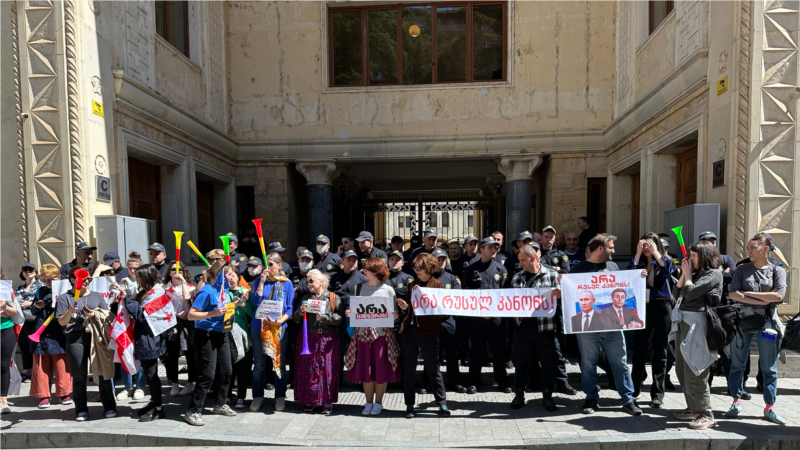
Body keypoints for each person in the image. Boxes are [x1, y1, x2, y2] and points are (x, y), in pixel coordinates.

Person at [569, 234, 642, 416]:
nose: (614, 251)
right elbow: (570, 297)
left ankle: (628, 398)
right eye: (610, 247)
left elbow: (622, 289)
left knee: (620, 363)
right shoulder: (578, 270)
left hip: (613, 326)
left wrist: (637, 278)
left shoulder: (613, 266)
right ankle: (591, 397)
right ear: (600, 249)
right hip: (587, 328)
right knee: (588, 364)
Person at [725, 234, 787, 425]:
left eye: (753, 247)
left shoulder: (777, 270)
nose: (748, 251)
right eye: (748, 247)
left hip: (768, 322)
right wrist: (762, 298)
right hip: (744, 320)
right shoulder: (742, 269)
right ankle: (735, 401)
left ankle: (769, 407)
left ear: (765, 249)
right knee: (737, 364)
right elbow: (734, 294)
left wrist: (749, 293)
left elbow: (778, 296)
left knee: (769, 367)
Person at [670, 240, 722, 430]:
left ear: (704, 256)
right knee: (682, 370)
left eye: (693, 256)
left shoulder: (714, 274)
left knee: (696, 369)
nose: (688, 259)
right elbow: (677, 293)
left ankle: (706, 413)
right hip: (683, 322)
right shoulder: (695, 274)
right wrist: (685, 274)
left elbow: (691, 294)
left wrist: (688, 275)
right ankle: (693, 407)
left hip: (697, 324)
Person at [56, 266, 116, 421]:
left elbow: (107, 316)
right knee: (79, 376)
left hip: (95, 337)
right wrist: (69, 312)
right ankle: (81, 410)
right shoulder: (64, 298)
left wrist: (95, 314)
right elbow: (62, 323)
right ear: (72, 279)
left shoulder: (96, 296)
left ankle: (109, 407)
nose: (86, 281)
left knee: (103, 373)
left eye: (88, 278)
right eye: (82, 278)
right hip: (75, 338)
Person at [344, 258, 401, 416]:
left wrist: (394, 316)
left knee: (380, 371)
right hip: (362, 335)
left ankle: (378, 403)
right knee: (366, 371)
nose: (364, 272)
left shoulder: (388, 290)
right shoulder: (358, 288)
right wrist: (350, 313)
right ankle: (368, 402)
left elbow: (393, 315)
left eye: (367, 269)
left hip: (382, 336)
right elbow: (354, 310)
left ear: (376, 271)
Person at [396, 253, 451, 418]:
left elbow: (440, 310)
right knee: (409, 369)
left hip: (428, 331)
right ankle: (409, 405)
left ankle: (442, 404)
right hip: (410, 331)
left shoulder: (438, 285)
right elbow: (410, 310)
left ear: (428, 268)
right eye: (415, 268)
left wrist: (423, 294)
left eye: (419, 268)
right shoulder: (411, 285)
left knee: (433, 369)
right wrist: (405, 307)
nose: (416, 271)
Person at [509, 244, 562, 411]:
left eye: (523, 260)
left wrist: (561, 294)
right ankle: (519, 393)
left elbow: (565, 301)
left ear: (532, 259)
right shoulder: (517, 277)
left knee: (548, 363)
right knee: (521, 363)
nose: (520, 263)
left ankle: (547, 395)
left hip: (545, 328)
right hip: (523, 327)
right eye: (519, 260)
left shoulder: (552, 275)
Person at [185, 261, 237, 426]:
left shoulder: (224, 290)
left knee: (227, 370)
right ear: (218, 276)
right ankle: (193, 411)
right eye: (228, 274)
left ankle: (220, 404)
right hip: (205, 335)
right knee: (207, 374)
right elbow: (191, 315)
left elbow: (224, 309)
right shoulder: (206, 291)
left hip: (222, 334)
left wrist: (237, 303)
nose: (232, 277)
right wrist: (213, 313)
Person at [627, 233, 673, 407]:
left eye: (649, 245)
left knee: (660, 350)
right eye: (643, 245)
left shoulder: (665, 260)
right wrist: (638, 254)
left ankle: (657, 394)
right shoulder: (637, 261)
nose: (647, 248)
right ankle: (635, 388)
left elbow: (669, 270)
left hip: (662, 307)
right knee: (639, 349)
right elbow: (629, 277)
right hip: (642, 307)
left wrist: (656, 253)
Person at [247, 253, 294, 412]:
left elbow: (290, 308)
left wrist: (282, 320)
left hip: (279, 327)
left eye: (272, 264)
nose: (269, 268)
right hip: (259, 327)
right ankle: (257, 396)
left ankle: (280, 396)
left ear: (280, 265)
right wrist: (260, 282)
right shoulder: (258, 281)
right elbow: (255, 302)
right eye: (266, 265)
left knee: (278, 364)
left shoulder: (286, 284)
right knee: (259, 364)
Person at [464, 237, 511, 394]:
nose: (494, 250)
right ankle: (473, 382)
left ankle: (502, 381)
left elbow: (506, 295)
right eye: (490, 247)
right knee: (476, 350)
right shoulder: (471, 269)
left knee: (499, 350)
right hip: (478, 319)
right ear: (482, 250)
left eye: (496, 247)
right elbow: (466, 295)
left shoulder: (501, 269)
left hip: (497, 318)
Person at [293, 269, 344, 414]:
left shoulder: (333, 297)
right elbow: (295, 319)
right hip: (308, 338)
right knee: (309, 371)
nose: (308, 284)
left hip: (327, 338)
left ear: (321, 281)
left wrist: (324, 318)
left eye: (311, 281)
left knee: (326, 371)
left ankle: (326, 402)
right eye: (307, 281)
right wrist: (300, 311)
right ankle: (310, 400)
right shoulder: (305, 298)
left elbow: (340, 318)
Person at [124, 265, 168, 422]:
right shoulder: (148, 292)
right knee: (150, 374)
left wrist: (127, 297)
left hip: (150, 338)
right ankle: (154, 402)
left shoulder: (157, 293)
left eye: (139, 277)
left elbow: (140, 315)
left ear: (147, 277)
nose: (137, 280)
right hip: (145, 337)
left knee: (151, 374)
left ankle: (159, 408)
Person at [29, 264, 72, 408]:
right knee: (41, 365)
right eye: (45, 280)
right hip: (41, 332)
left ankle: (64, 393)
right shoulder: (40, 291)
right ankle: (43, 396)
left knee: (61, 364)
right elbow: (32, 311)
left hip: (57, 331)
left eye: (51, 280)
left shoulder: (65, 290)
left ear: (58, 277)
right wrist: (36, 306)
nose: (47, 283)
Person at [162, 261, 196, 397]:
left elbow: (188, 299)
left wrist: (183, 283)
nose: (176, 272)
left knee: (190, 353)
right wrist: (175, 314)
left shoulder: (191, 287)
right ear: (169, 272)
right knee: (171, 354)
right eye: (173, 270)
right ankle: (174, 383)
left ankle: (191, 382)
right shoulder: (163, 288)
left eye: (180, 270)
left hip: (187, 323)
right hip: (170, 323)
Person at [223, 265, 251, 409]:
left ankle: (241, 397)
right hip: (226, 332)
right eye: (228, 275)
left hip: (242, 334)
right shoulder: (222, 292)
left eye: (233, 275)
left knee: (242, 367)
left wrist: (244, 304)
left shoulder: (245, 292)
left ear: (239, 278)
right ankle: (227, 396)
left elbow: (253, 312)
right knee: (228, 367)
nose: (231, 278)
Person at [16, 262, 42, 383]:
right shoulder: (20, 288)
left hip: (34, 320)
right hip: (21, 320)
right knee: (24, 345)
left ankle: (36, 372)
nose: (28, 272)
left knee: (34, 346)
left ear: (35, 272)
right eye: (25, 270)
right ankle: (26, 371)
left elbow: (44, 301)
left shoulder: (40, 286)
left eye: (30, 269)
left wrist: (29, 304)